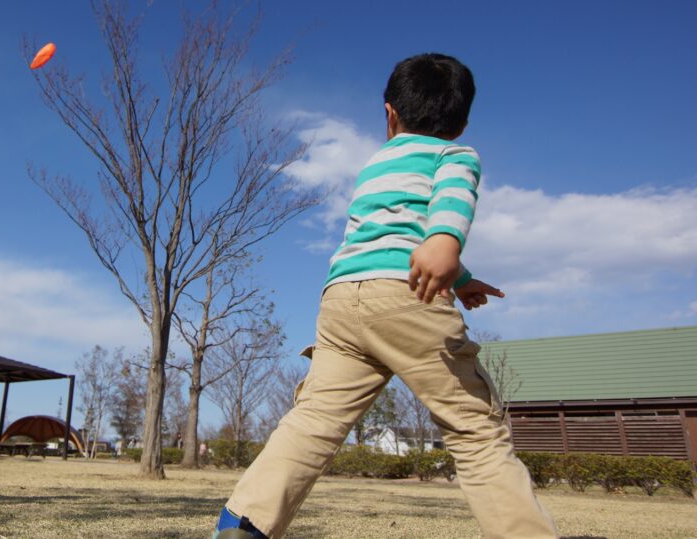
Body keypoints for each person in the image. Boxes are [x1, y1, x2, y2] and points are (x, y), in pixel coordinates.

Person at [212, 54, 558, 539]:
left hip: (342, 302)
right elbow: (447, 207)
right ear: (461, 122)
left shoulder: (376, 164)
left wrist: (460, 277)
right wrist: (445, 241)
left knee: (313, 421)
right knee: (475, 430)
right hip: (407, 300)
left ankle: (244, 524)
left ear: (390, 114)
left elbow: (392, 233)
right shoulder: (455, 156)